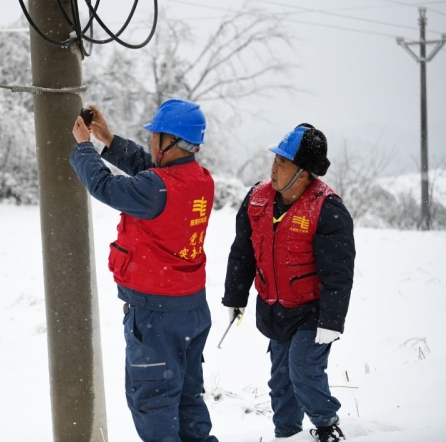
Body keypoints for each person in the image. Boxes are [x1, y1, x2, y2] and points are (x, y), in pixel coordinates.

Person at [69, 99, 218, 442]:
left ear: (171, 141)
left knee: (152, 402)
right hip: (192, 309)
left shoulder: (156, 189)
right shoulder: (200, 180)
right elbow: (152, 172)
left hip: (156, 316)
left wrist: (84, 148)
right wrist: (110, 140)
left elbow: (105, 187)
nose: (150, 142)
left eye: (154, 136)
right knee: (185, 396)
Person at [222, 124, 355, 442]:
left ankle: (326, 428)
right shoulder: (256, 199)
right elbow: (243, 252)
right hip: (274, 309)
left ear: (305, 173)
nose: (274, 167)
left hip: (312, 312)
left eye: (283, 162)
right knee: (281, 382)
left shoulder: (326, 210)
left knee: (303, 370)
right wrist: (235, 297)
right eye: (275, 160)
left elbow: (338, 273)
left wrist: (331, 321)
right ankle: (288, 436)